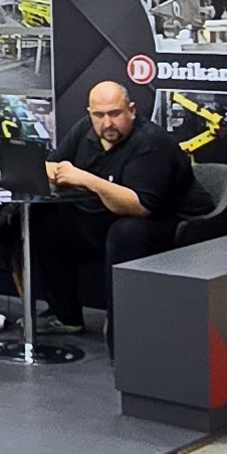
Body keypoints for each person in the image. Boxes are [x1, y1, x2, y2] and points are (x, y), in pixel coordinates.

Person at [30, 79, 188, 336]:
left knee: (126, 231)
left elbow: (140, 206)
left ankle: (121, 326)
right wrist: (60, 173)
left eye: (115, 114)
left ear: (131, 110)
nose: (107, 123)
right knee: (46, 219)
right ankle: (65, 316)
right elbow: (51, 164)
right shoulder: (85, 128)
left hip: (169, 220)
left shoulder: (150, 142)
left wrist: (86, 179)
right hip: (105, 213)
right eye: (99, 115)